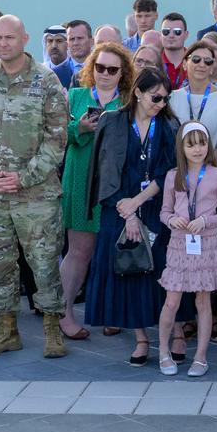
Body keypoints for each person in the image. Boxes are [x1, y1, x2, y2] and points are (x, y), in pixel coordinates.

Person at [0, 15, 70, 358]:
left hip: (36, 195)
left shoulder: (46, 81)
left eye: (10, 37)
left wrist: (24, 177)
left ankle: (53, 329)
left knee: (44, 263)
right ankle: (7, 330)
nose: (3, 43)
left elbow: (57, 139)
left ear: (24, 39)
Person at [86, 68, 176, 365]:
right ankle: (141, 339)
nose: (161, 103)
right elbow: (104, 171)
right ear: (137, 92)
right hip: (117, 206)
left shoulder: (168, 126)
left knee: (162, 272)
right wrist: (128, 213)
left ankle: (176, 333)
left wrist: (137, 203)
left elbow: (168, 172)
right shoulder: (111, 121)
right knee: (130, 270)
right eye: (156, 97)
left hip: (154, 206)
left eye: (166, 98)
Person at [58, 42, 132, 341]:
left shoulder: (128, 102)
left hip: (114, 183)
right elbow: (55, 134)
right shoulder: (75, 96)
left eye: (112, 69)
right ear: (91, 67)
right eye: (100, 67)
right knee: (79, 250)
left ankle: (112, 312)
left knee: (114, 250)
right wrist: (79, 129)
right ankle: (63, 313)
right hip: (80, 180)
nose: (105, 73)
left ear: (122, 73)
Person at [156, 122, 217, 377]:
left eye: (202, 143)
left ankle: (200, 356)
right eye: (191, 145)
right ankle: (163, 352)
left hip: (206, 245)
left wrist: (206, 220)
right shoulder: (173, 175)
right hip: (179, 245)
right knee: (172, 300)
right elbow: (164, 212)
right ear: (182, 147)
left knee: (203, 301)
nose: (197, 149)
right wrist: (171, 220)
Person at [170, 39, 217, 146]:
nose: (202, 64)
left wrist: (210, 157)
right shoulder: (173, 97)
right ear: (185, 64)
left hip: (215, 157)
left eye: (208, 61)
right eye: (196, 59)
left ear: (212, 68)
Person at [155, 13, 190, 89]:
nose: (171, 36)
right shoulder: (153, 63)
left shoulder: (196, 62)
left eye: (177, 32)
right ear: (160, 35)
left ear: (186, 35)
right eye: (166, 32)